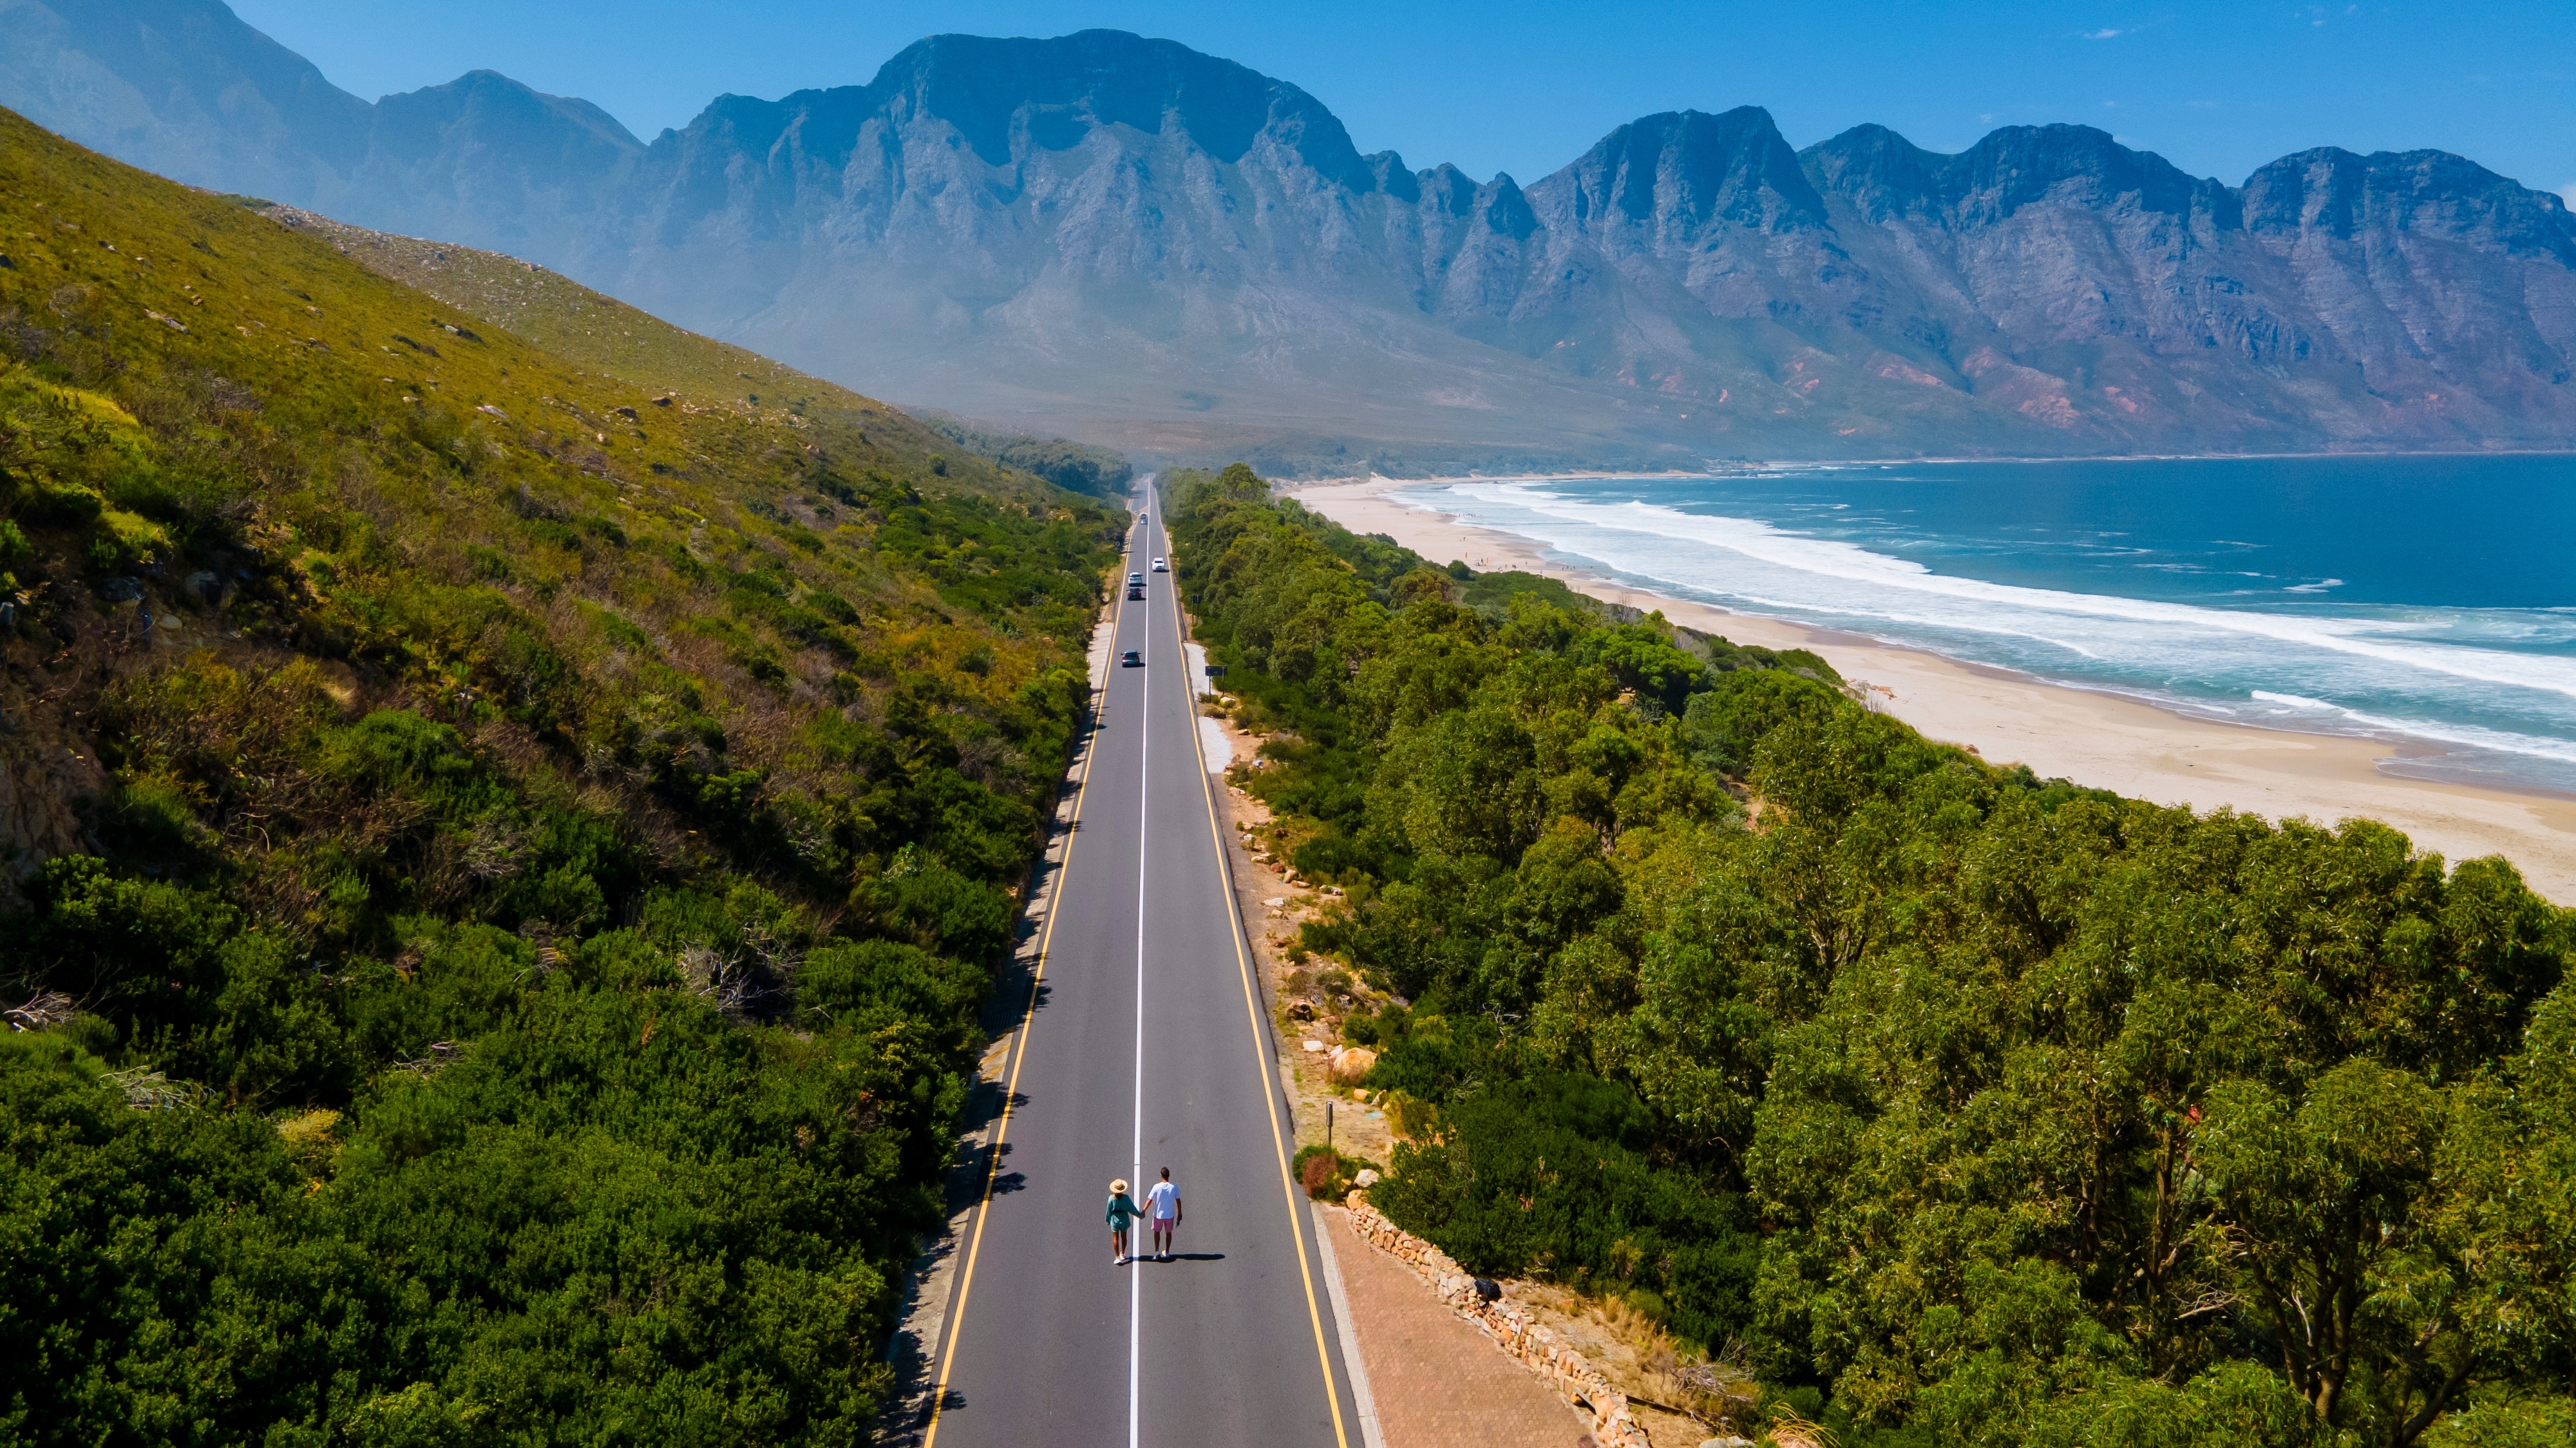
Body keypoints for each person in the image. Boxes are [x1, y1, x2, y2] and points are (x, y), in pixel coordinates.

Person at [1143, 1167, 1182, 1261]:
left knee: (1157, 1232)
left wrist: (1143, 1210)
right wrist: (1180, 1213)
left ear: (1161, 1175)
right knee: (1169, 1233)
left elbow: (1150, 1200)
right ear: (1169, 1175)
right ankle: (1167, 1252)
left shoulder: (1156, 1187)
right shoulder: (1174, 1187)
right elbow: (1178, 1201)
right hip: (1169, 1215)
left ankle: (1157, 1252)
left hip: (1158, 1215)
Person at [1106, 1178, 1141, 1265]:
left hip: (1115, 1218)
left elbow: (1109, 1210)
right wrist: (1140, 1215)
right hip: (1124, 1218)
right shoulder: (1126, 1198)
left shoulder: (1111, 1198)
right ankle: (1123, 1253)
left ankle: (1117, 1256)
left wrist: (1108, 1220)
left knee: (1115, 1238)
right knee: (1124, 1237)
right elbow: (1131, 1209)